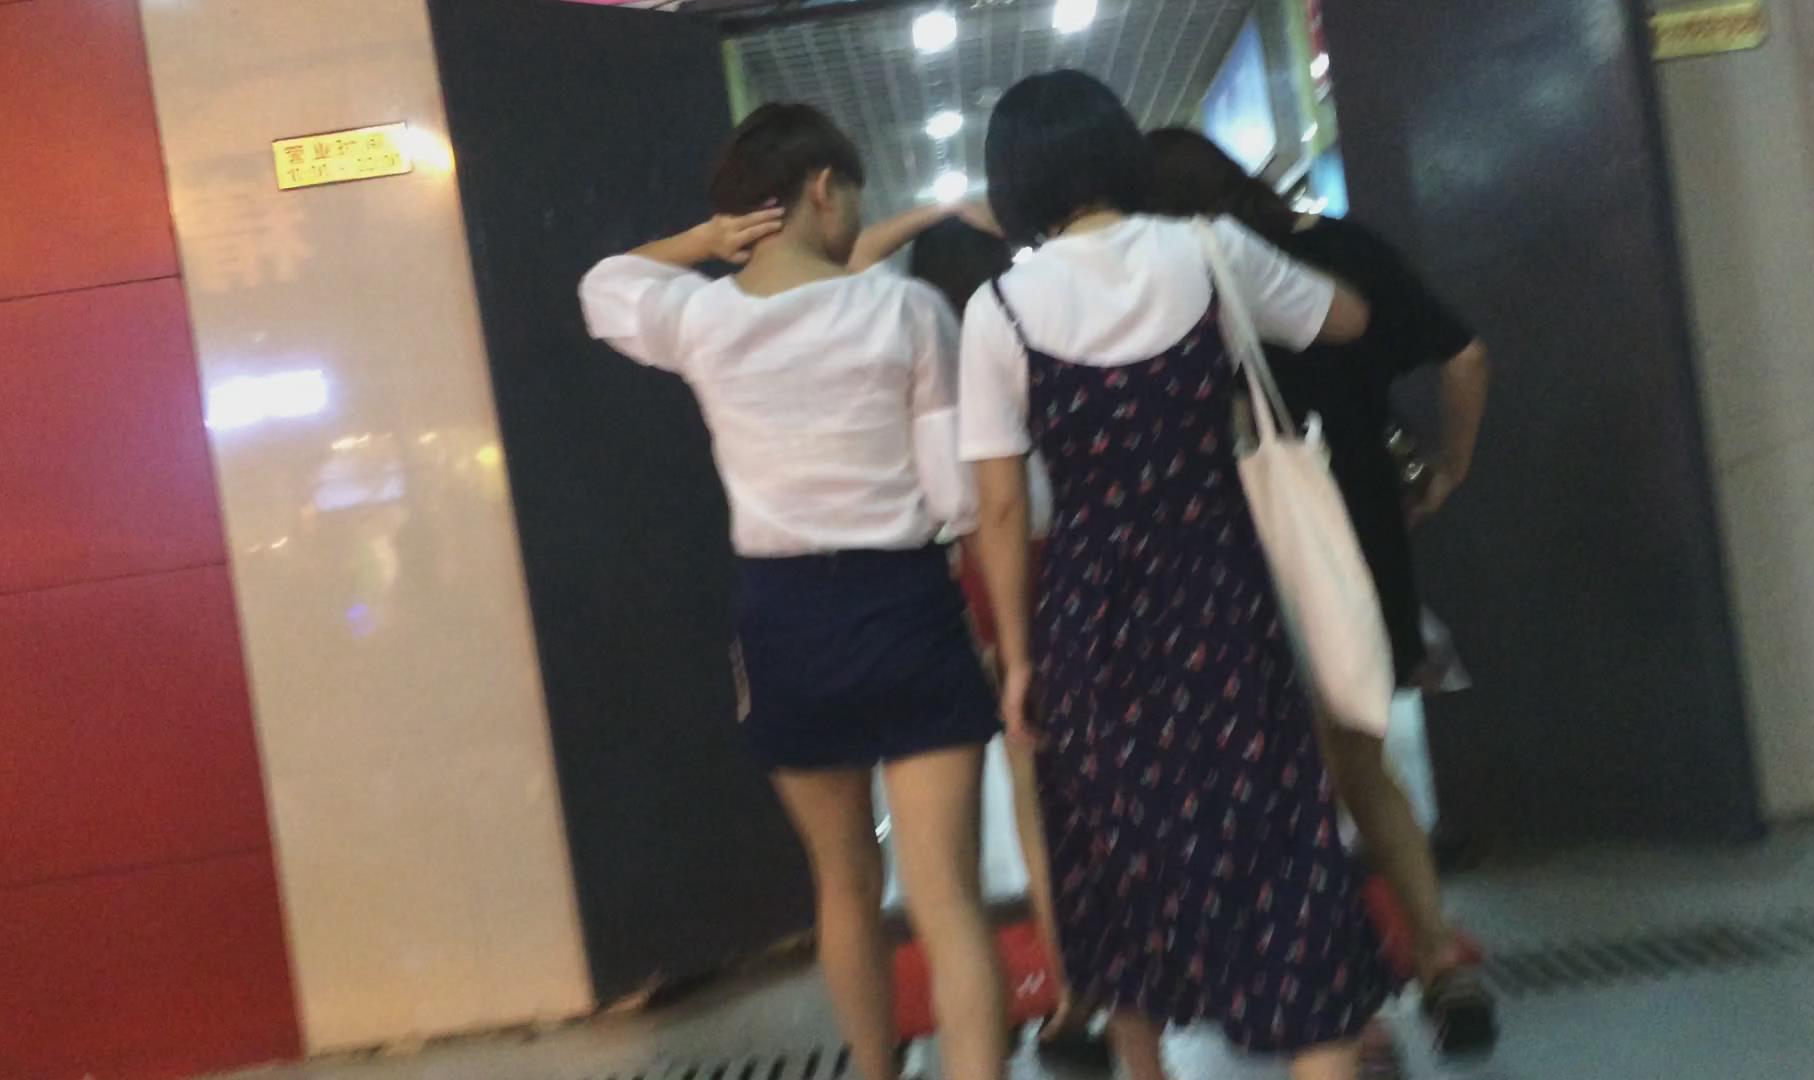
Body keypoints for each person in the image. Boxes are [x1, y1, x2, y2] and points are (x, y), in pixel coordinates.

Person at [962, 70, 1390, 1080]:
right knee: (1277, 840)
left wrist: (1018, 661)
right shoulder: (1210, 250)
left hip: (1090, 614)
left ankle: (1143, 1059)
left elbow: (1001, 510)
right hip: (1219, 591)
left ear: (1014, 181)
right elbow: (1346, 320)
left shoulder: (999, 309)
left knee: (1118, 852)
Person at [578, 103, 1007, 1080]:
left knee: (843, 884)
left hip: (785, 621)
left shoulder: (701, 319)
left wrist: (706, 242)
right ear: (823, 188)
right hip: (906, 604)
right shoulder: (906, 311)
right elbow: (955, 497)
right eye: (852, 195)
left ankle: (874, 1068)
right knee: (946, 898)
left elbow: (605, 284)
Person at [1144, 126, 1496, 1056]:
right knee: (1362, 764)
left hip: (1242, 554)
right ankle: (1439, 957)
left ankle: (1351, 1015)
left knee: (1283, 788)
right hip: (1359, 541)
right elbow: (1464, 356)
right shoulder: (1341, 247)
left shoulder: (1175, 279)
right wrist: (1450, 467)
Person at [906, 217, 1110, 1069]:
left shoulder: (935, 365)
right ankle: (1123, 976)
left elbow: (963, 505)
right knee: (1096, 782)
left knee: (1035, 792)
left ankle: (1080, 989)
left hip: (997, 570)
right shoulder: (1039, 329)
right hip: (1081, 557)